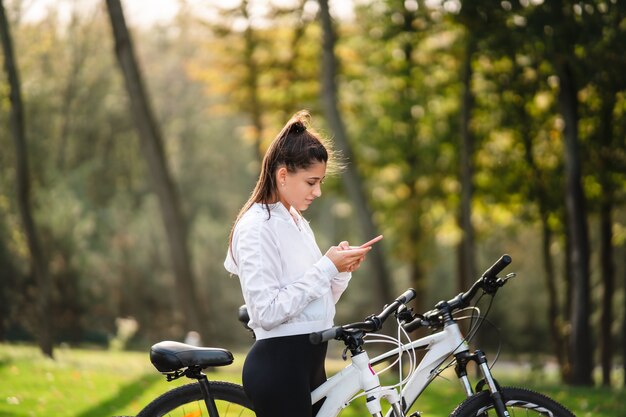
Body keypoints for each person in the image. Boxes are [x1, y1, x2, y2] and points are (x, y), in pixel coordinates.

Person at [224, 110, 372, 417]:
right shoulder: (255, 227)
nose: (317, 191)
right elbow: (267, 312)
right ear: (282, 175)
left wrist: (339, 272)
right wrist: (326, 267)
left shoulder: (296, 222)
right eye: (311, 182)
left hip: (310, 362)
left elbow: (312, 306)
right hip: (279, 368)